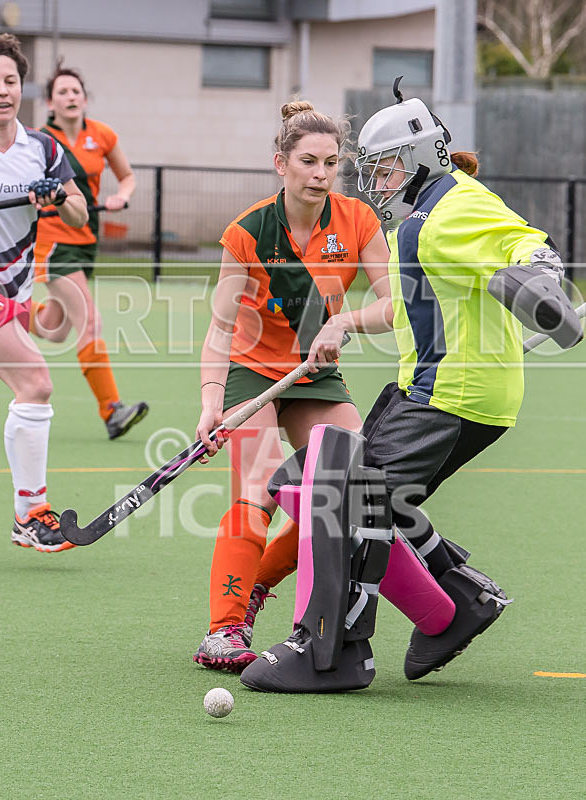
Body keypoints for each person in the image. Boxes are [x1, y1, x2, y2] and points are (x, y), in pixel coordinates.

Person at [240, 80, 582, 690]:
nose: (379, 181)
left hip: (450, 396)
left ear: (422, 156)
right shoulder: (423, 217)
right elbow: (409, 304)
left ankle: (331, 653)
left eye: (389, 166)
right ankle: (458, 601)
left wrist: (542, 274)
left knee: (340, 500)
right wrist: (344, 322)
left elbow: (525, 242)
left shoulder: (454, 207)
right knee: (315, 485)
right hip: (425, 389)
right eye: (375, 169)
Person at [192, 101, 393, 672]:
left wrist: (343, 322)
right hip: (252, 371)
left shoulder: (358, 221)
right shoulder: (248, 232)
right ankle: (223, 630)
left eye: (331, 163)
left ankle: (254, 584)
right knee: (258, 491)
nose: (321, 174)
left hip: (314, 372)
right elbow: (220, 329)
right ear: (280, 163)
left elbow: (393, 305)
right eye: (308, 161)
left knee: (350, 491)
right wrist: (211, 402)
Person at [0, 33, 88, 552]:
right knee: (35, 383)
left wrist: (58, 196)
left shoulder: (44, 149)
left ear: (21, 89)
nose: (2, 91)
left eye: (10, 81)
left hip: (13, 294)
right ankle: (30, 514)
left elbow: (80, 214)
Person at [30, 63, 148, 440]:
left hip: (86, 239)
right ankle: (112, 410)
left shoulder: (102, 135)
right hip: (53, 243)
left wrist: (121, 197)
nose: (70, 97)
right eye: (62, 92)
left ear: (84, 98)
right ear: (50, 102)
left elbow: (127, 177)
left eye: (76, 91)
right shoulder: (39, 141)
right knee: (90, 322)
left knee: (53, 329)